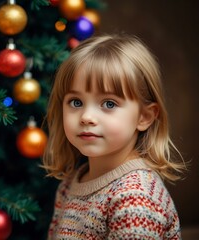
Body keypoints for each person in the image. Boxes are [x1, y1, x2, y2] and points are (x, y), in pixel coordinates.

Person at [42, 33, 186, 239]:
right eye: (76, 102)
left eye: (109, 104)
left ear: (144, 117)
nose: (87, 117)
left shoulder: (136, 199)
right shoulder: (71, 183)